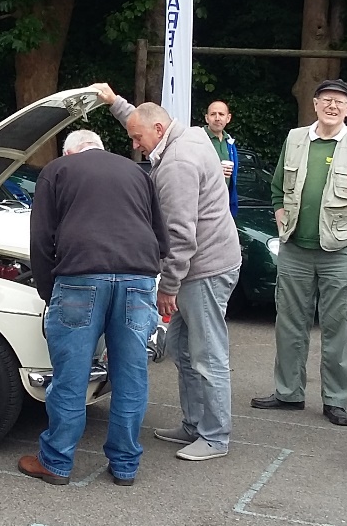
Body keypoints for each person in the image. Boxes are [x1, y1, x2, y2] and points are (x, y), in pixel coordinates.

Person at [95, 83, 242, 462]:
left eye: (138, 138)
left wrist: (168, 287)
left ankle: (215, 436)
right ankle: (195, 425)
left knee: (207, 354)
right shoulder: (188, 133)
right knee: (180, 348)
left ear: (159, 132)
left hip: (203, 269)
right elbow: (141, 119)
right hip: (209, 263)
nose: (135, 145)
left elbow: (180, 235)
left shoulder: (176, 165)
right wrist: (115, 103)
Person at [17, 130, 167, 486]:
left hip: (81, 275)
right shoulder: (137, 172)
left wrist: (46, 288)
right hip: (138, 276)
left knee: (72, 374)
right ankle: (125, 465)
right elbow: (161, 236)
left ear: (71, 152)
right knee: (131, 375)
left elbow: (41, 238)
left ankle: (56, 462)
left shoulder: (57, 170)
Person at [251, 79, 347, 427]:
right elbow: (276, 187)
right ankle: (288, 393)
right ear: (315, 104)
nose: (332, 106)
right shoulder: (295, 138)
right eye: (326, 100)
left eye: (340, 102)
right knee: (289, 324)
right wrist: (278, 211)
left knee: (338, 328)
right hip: (295, 247)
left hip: (340, 249)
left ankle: (336, 400)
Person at [204, 100, 241, 217]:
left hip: (225, 205)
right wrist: (216, 170)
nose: (217, 118)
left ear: (228, 118)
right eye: (213, 114)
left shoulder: (229, 142)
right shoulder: (199, 139)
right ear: (206, 118)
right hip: (204, 204)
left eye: (221, 114)